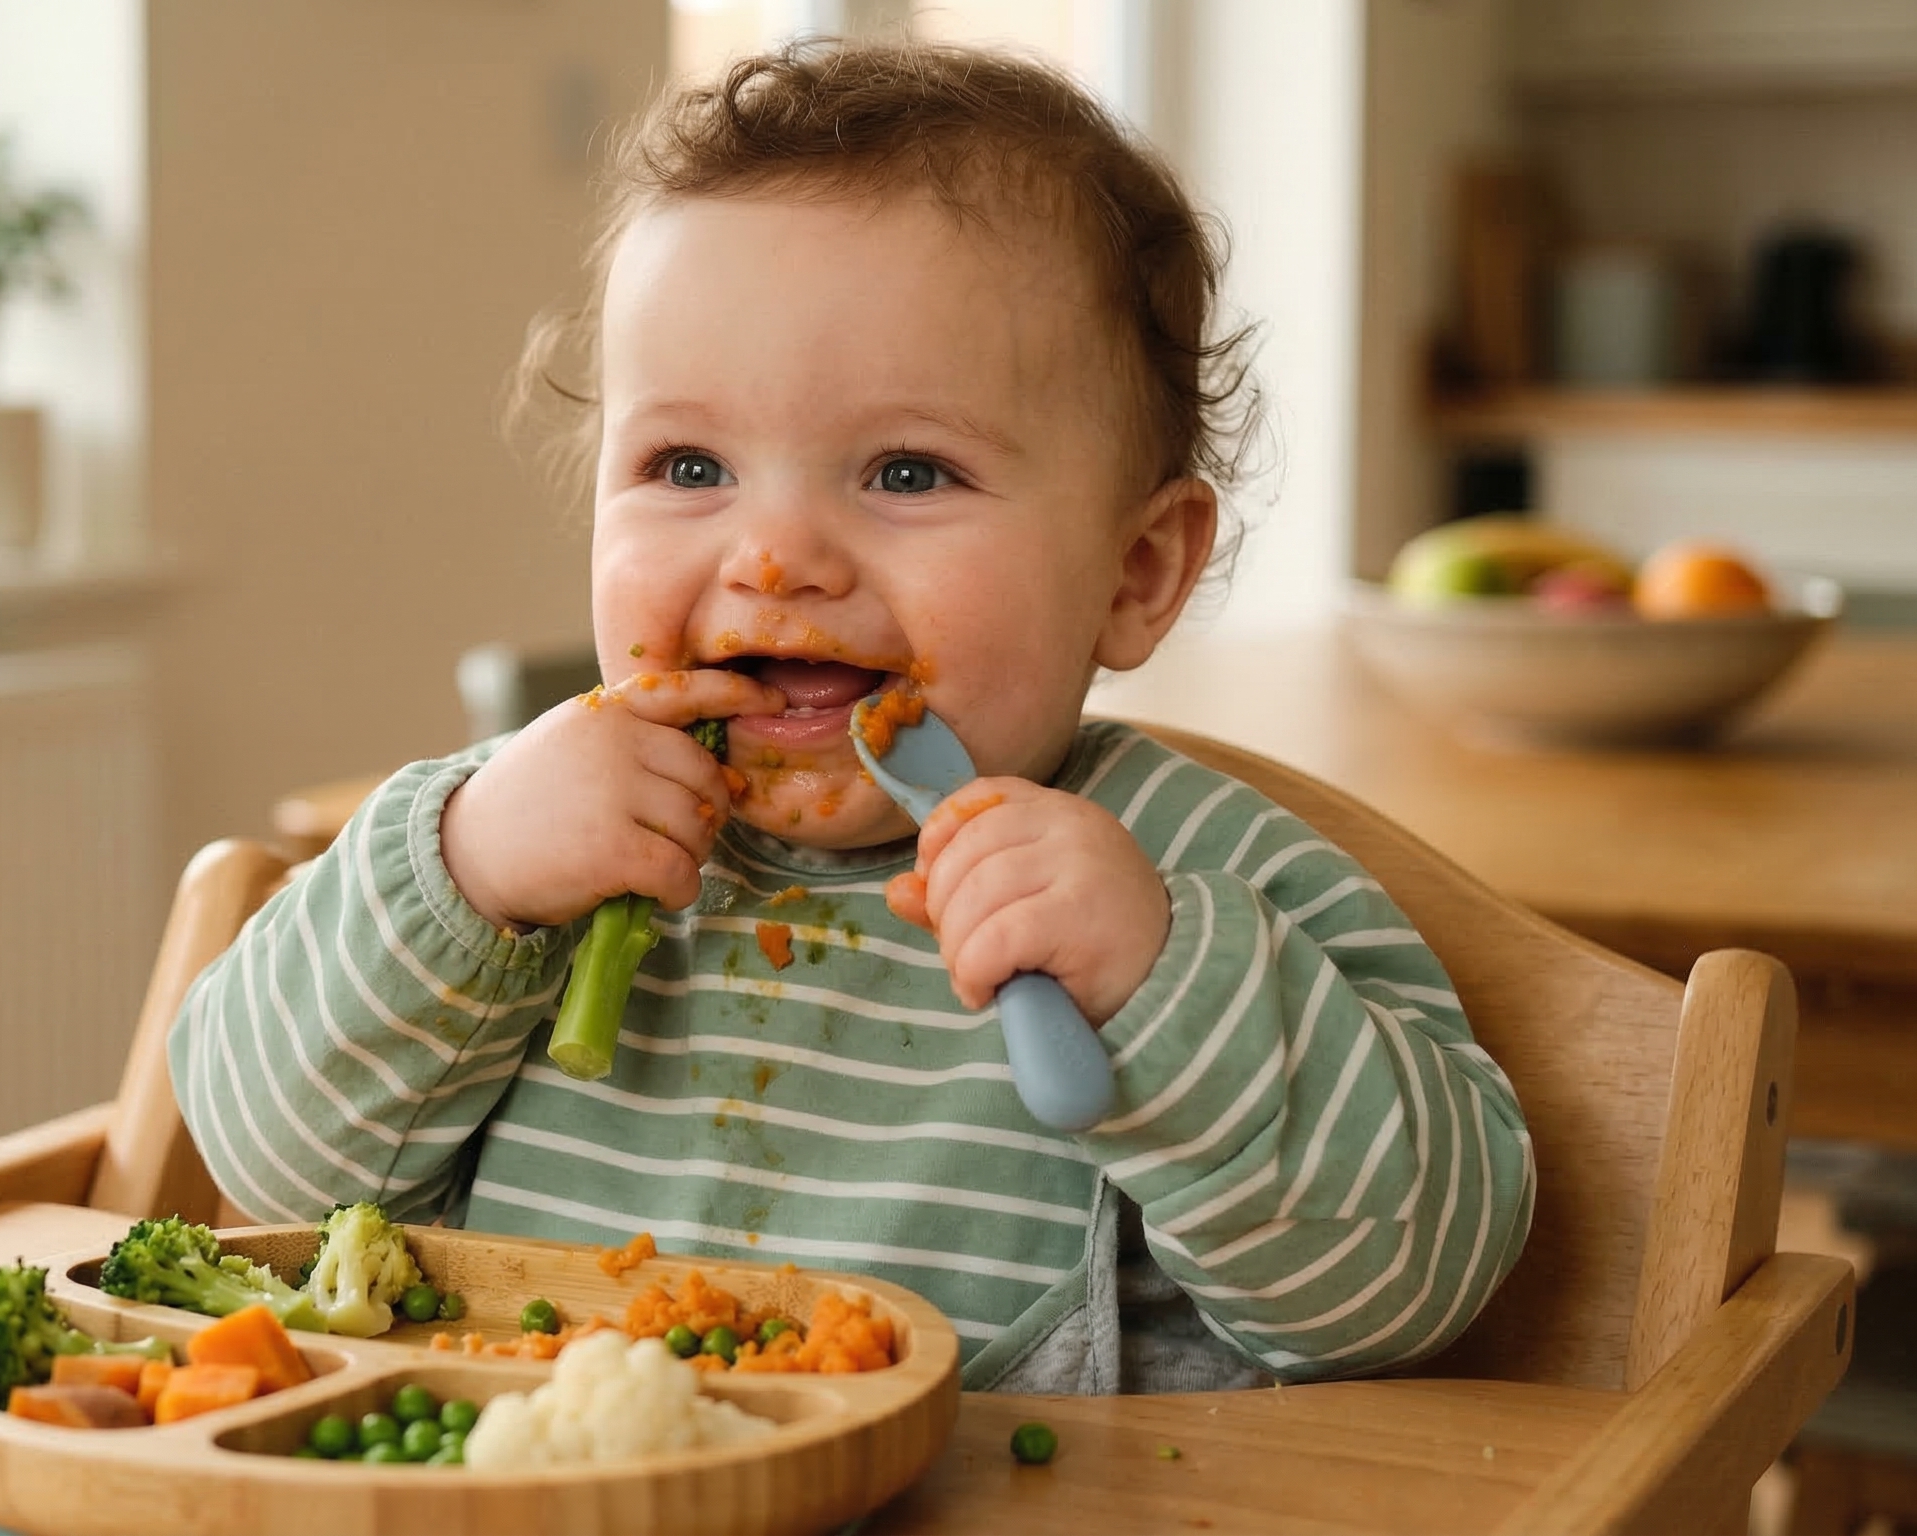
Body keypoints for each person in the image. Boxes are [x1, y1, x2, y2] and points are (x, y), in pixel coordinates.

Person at [169, 40, 1532, 1393]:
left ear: (1136, 572)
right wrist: (461, 877)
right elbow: (261, 1162)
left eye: (906, 470)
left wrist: (1164, 983)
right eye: (688, 464)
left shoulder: (1200, 872)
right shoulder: (522, 851)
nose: (778, 557)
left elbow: (1407, 1288)